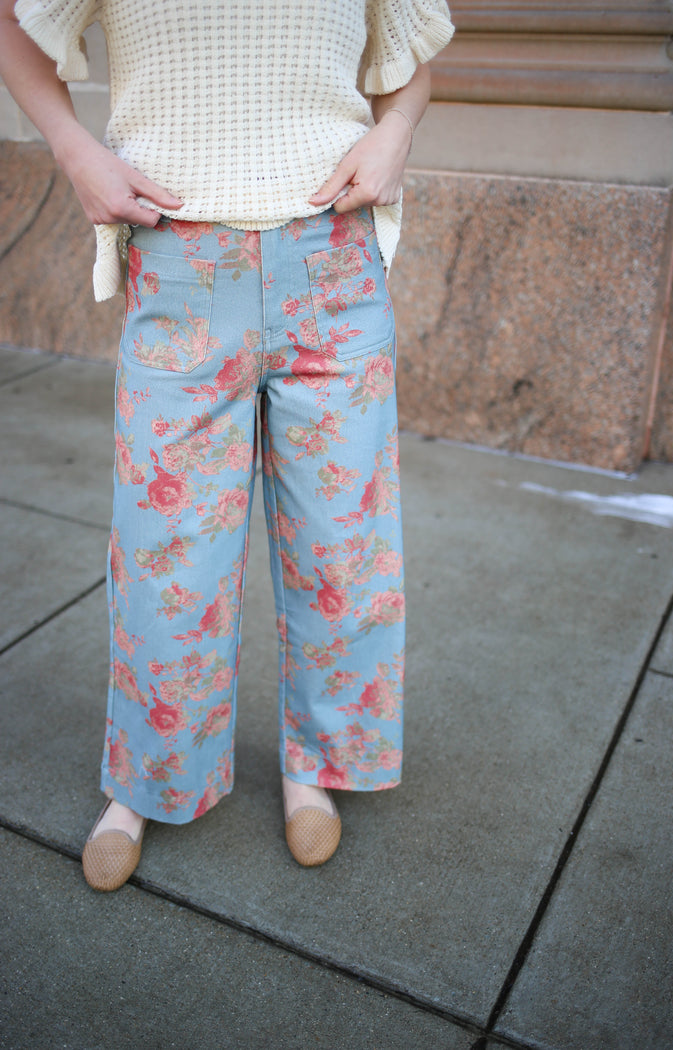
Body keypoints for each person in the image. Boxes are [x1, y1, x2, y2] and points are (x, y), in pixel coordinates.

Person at [0, 0, 454, 890]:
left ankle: (315, 768)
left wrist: (396, 127)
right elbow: (14, 24)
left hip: (332, 253)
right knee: (166, 552)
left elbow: (410, 57)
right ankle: (145, 780)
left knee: (342, 543)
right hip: (179, 257)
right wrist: (74, 148)